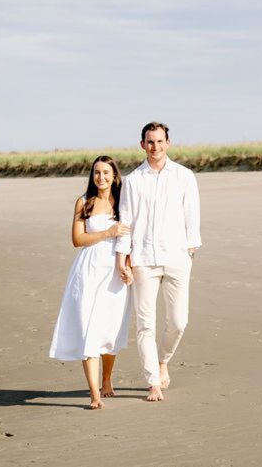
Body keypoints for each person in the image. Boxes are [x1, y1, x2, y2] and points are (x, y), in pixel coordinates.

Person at [115, 122, 201, 402]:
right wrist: (123, 257)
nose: (155, 147)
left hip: (177, 257)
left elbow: (192, 214)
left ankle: (163, 360)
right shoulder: (133, 180)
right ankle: (152, 381)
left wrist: (190, 248)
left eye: (160, 141)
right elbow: (125, 220)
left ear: (168, 143)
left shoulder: (184, 176)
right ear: (142, 145)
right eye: (150, 142)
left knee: (179, 321)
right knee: (145, 325)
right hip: (143, 259)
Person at [48, 155, 132, 409]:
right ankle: (94, 394)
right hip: (88, 269)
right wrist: (107, 232)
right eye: (96, 172)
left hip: (115, 271)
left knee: (109, 328)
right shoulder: (84, 202)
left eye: (106, 172)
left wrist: (128, 265)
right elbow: (77, 240)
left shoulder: (124, 202)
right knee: (88, 328)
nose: (101, 177)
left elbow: (132, 236)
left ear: (115, 175)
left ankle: (107, 378)